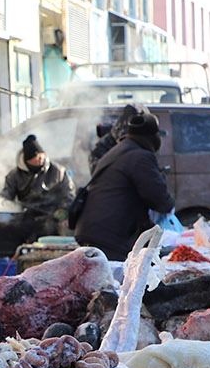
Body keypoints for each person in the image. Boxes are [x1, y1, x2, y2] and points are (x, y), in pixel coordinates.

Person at [73, 108, 173, 261]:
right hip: (111, 235)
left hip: (93, 230)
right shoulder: (140, 157)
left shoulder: (117, 151)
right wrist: (169, 200)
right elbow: (159, 200)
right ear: (152, 136)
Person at [1, 134, 75, 241]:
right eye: (36, 157)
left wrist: (64, 210)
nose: (40, 159)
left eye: (41, 155)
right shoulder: (15, 176)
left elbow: (69, 193)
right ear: (27, 160)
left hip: (53, 216)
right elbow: (6, 196)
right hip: (26, 217)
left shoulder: (58, 172)